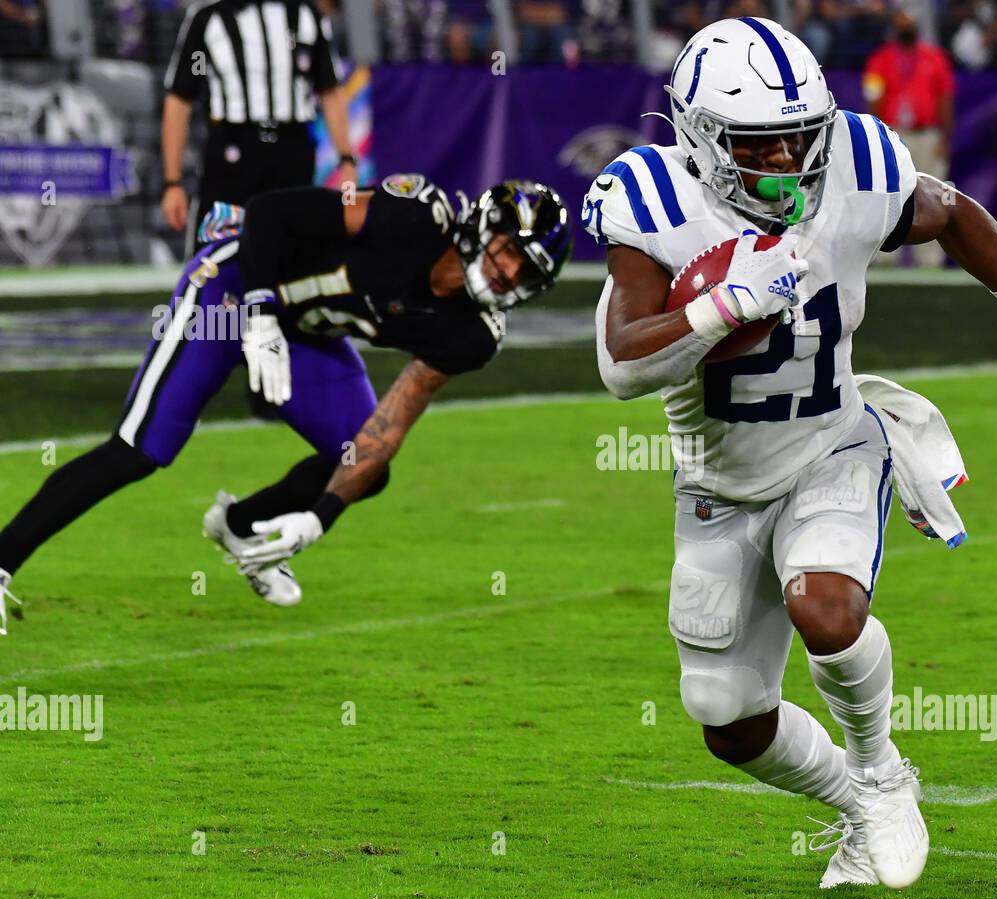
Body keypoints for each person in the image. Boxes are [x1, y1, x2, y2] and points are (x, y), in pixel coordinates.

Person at [583, 16, 997, 890]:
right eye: (761, 146)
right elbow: (620, 365)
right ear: (700, 138)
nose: (789, 161)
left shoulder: (854, 164)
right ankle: (858, 800)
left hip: (834, 443)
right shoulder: (653, 201)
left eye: (800, 135)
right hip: (717, 481)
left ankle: (882, 769)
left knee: (826, 609)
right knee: (725, 717)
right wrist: (723, 307)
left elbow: (951, 211)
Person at [0, 177, 572, 634]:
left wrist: (319, 518)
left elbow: (390, 423)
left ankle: (240, 525)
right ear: (482, 227)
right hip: (235, 285)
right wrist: (260, 311)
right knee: (140, 449)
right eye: (509, 253)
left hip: (307, 332)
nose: (510, 274)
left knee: (362, 462)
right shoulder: (412, 215)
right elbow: (272, 211)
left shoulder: (473, 334)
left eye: (527, 272)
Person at [160, 0, 357, 251]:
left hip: (292, 151)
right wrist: (172, 182)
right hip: (232, 155)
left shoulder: (307, 17)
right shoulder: (208, 19)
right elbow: (182, 95)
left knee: (296, 256)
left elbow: (329, 91)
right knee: (215, 256)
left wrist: (347, 160)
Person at [863, 10, 955, 266]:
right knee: (888, 194)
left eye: (910, 21)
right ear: (894, 26)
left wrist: (945, 138)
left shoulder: (934, 57)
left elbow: (945, 98)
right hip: (894, 134)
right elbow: (873, 98)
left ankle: (930, 260)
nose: (906, 25)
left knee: (933, 196)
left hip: (926, 133)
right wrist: (878, 136)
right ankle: (884, 257)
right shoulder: (881, 59)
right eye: (901, 20)